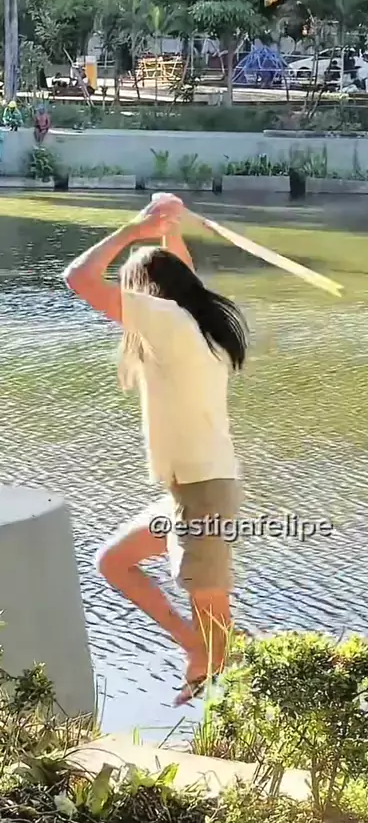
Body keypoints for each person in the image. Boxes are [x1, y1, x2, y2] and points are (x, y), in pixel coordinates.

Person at [62, 194, 248, 705]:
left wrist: (134, 229)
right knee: (114, 561)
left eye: (132, 291)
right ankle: (198, 653)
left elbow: (78, 278)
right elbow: (180, 272)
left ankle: (221, 687)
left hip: (202, 493)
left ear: (150, 295)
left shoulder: (167, 322)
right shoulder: (195, 323)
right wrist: (169, 224)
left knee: (217, 626)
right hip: (194, 488)